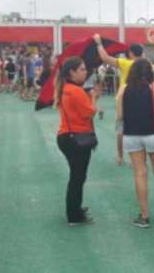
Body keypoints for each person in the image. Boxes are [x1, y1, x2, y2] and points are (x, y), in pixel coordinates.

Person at [117, 58, 154, 227]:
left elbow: (120, 116)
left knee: (140, 173)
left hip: (132, 135)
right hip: (153, 134)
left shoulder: (123, 89)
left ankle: (144, 215)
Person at [56, 56, 98, 226]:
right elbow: (89, 112)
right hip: (77, 138)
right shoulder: (76, 91)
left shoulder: (65, 88)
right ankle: (73, 214)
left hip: (67, 136)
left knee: (77, 176)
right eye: (81, 69)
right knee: (77, 177)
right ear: (72, 72)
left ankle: (75, 208)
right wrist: (93, 98)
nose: (85, 71)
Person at [94, 35, 145, 165]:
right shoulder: (146, 64)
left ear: (130, 53)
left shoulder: (125, 63)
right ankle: (139, 159)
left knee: (121, 130)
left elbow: (105, 58)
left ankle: (121, 157)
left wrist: (99, 43)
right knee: (140, 130)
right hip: (143, 100)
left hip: (125, 99)